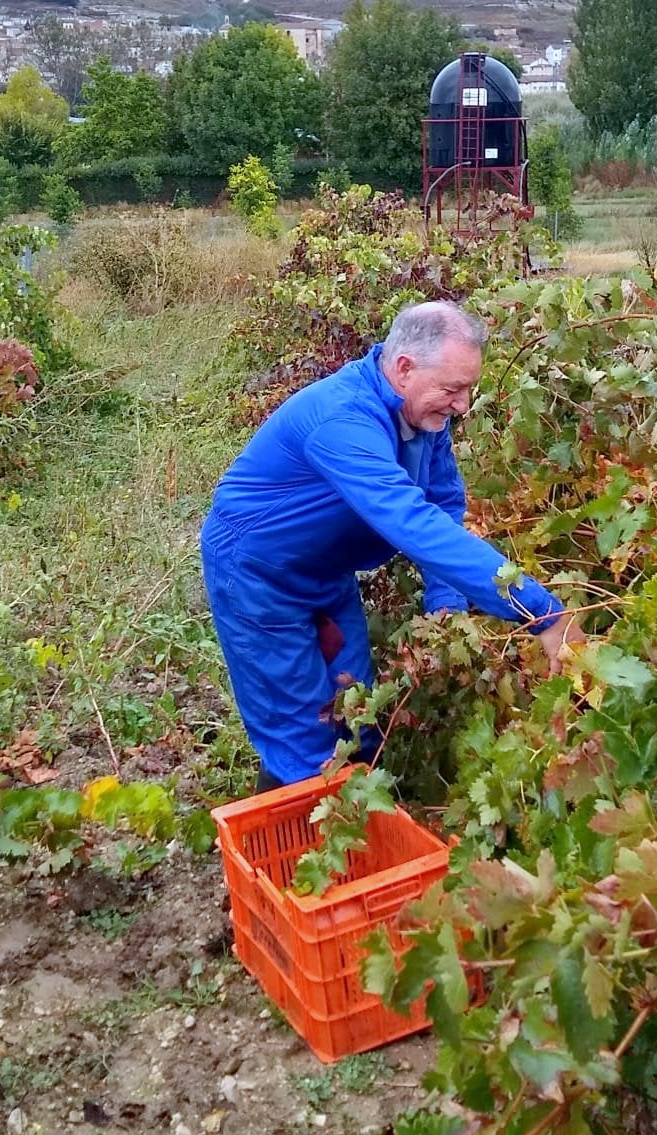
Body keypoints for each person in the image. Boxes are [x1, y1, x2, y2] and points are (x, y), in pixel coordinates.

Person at [200, 300, 582, 790]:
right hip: (258, 575)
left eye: (469, 388)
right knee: (304, 733)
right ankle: (290, 851)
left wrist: (443, 599)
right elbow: (413, 522)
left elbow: (442, 502)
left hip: (325, 571)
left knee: (354, 708)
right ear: (403, 368)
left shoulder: (424, 418)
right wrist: (541, 612)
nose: (463, 404)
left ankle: (350, 817)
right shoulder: (343, 421)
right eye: (452, 388)